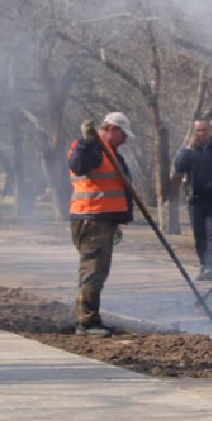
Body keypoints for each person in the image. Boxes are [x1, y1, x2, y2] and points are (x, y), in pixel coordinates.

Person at [68, 111, 134, 337]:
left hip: (103, 219)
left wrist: (117, 221)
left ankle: (91, 318)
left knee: (99, 271)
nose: (125, 140)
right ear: (112, 130)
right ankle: (86, 323)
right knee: (92, 271)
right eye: (124, 135)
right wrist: (88, 143)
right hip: (91, 218)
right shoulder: (90, 147)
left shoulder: (110, 152)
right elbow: (78, 165)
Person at [172, 119, 212, 280]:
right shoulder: (189, 150)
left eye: (204, 130)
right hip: (196, 200)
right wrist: (187, 149)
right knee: (199, 236)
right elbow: (179, 167)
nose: (201, 133)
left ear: (210, 130)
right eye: (198, 130)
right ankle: (203, 265)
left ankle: (210, 267)